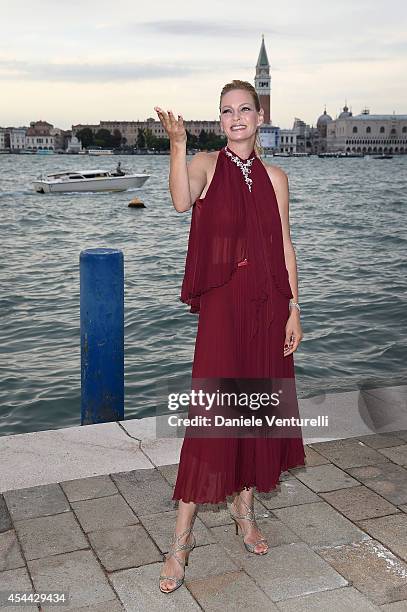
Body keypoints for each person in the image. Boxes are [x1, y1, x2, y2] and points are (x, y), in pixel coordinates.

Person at [154, 79, 305, 594]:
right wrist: (177, 145)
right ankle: (180, 541)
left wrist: (294, 308)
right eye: (227, 111)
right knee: (212, 417)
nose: (236, 117)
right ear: (219, 120)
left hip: (268, 310)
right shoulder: (207, 165)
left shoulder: (277, 177)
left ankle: (244, 511)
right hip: (224, 310)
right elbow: (179, 201)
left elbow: (285, 244)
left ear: (260, 116)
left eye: (245, 109)